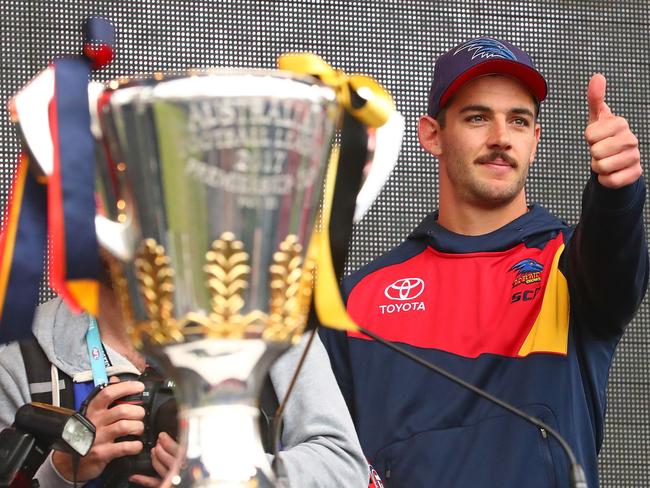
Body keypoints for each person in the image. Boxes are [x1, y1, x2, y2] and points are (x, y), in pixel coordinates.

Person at [319, 37, 647, 488]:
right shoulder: (354, 301)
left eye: (518, 120)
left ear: (535, 141)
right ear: (432, 134)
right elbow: (308, 448)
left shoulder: (570, 266)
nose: (500, 138)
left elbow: (616, 255)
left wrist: (618, 191)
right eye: (477, 117)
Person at [0, 281, 369, 487]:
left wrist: (234, 478)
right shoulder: (22, 354)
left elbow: (343, 466)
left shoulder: (272, 323)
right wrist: (63, 469)